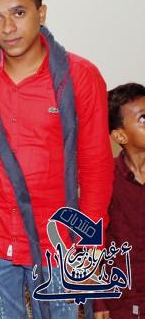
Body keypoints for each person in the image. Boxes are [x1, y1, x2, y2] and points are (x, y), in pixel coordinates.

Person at [0, 0, 114, 319]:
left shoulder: (79, 76)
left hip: (61, 243)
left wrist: (90, 245)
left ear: (41, 12)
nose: (7, 27)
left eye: (18, 13)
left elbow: (96, 167)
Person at [94, 83, 145, 319]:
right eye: (143, 119)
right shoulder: (106, 180)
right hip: (124, 300)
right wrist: (98, 300)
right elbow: (95, 242)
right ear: (120, 136)